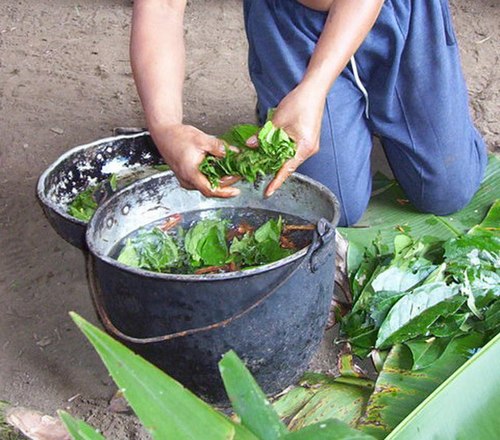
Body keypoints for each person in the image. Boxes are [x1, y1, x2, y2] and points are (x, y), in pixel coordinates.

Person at [130, 0, 487, 227]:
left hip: (397, 9)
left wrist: (315, 88)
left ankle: (402, 108)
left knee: (446, 191)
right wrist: (165, 127)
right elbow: (160, 7)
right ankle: (302, 102)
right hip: (289, 22)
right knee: (333, 206)